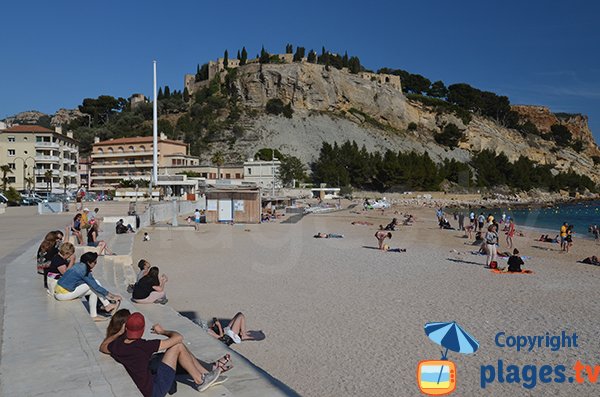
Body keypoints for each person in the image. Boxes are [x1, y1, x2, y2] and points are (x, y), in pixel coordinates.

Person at [100, 312, 223, 395]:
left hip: (145, 387)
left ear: (126, 328)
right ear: (142, 330)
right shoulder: (143, 346)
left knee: (176, 347)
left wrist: (118, 333)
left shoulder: (118, 345)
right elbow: (178, 337)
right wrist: (162, 331)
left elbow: (103, 347)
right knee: (178, 346)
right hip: (154, 390)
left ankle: (205, 374)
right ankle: (200, 380)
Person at [54, 252, 121, 321]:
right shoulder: (83, 270)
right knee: (92, 286)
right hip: (62, 294)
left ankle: (96, 314)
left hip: (60, 291)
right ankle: (107, 305)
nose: (96, 263)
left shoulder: (79, 265)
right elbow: (95, 286)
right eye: (94, 262)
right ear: (88, 262)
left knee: (93, 291)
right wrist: (112, 296)